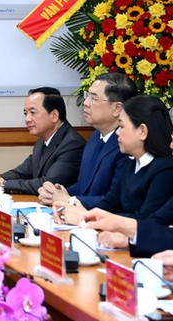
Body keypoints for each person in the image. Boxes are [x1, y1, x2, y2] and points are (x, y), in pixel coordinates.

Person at [65, 95, 173, 247]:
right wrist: (83, 214)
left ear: (142, 131)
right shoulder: (131, 162)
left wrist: (97, 220)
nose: (117, 132)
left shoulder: (165, 169)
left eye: (121, 126)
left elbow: (147, 220)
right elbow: (110, 202)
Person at [39, 73, 136, 208]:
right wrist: (59, 193)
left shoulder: (126, 145)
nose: (86, 102)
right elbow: (84, 186)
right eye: (87, 96)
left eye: (94, 98)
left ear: (117, 108)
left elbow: (117, 201)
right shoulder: (95, 137)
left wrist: (70, 200)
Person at [0, 87, 85, 194]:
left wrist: (3, 183)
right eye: (25, 113)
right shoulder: (43, 140)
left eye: (33, 112)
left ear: (54, 115)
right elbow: (22, 172)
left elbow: (47, 184)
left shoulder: (72, 144)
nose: (27, 119)